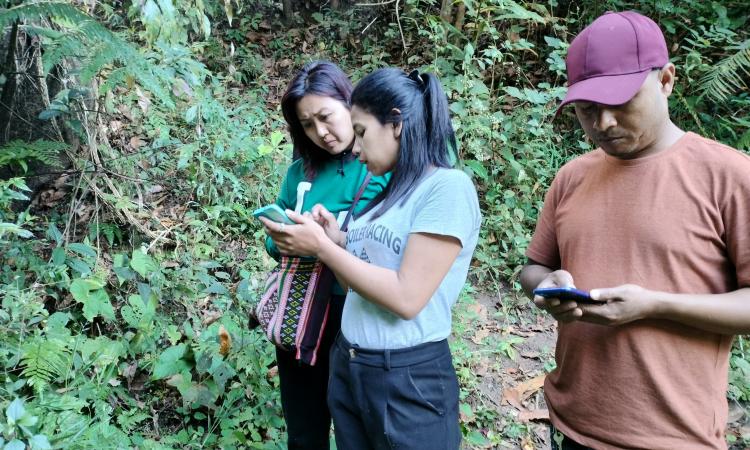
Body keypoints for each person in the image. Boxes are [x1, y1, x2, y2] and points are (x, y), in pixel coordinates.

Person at [519, 11, 750, 450]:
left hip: (675, 436)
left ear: (666, 80)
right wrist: (548, 286)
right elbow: (534, 268)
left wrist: (654, 305)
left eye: (620, 101)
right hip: (571, 424)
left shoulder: (729, 177)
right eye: (587, 110)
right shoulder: (571, 176)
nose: (603, 123)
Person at [260, 68, 481, 450]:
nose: (356, 149)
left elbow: (405, 297)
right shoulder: (389, 194)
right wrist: (336, 238)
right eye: (307, 124)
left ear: (395, 124)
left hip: (405, 372)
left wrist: (322, 248)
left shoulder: (446, 187)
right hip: (353, 360)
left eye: (360, 132)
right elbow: (363, 273)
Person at [262, 61, 388, 450]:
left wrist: (329, 240)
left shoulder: (379, 167)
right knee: (304, 427)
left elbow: (384, 246)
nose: (321, 132)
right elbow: (274, 239)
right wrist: (281, 239)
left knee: (362, 429)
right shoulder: (300, 171)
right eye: (307, 124)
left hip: (356, 313)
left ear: (349, 104)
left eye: (326, 117)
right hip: (302, 309)